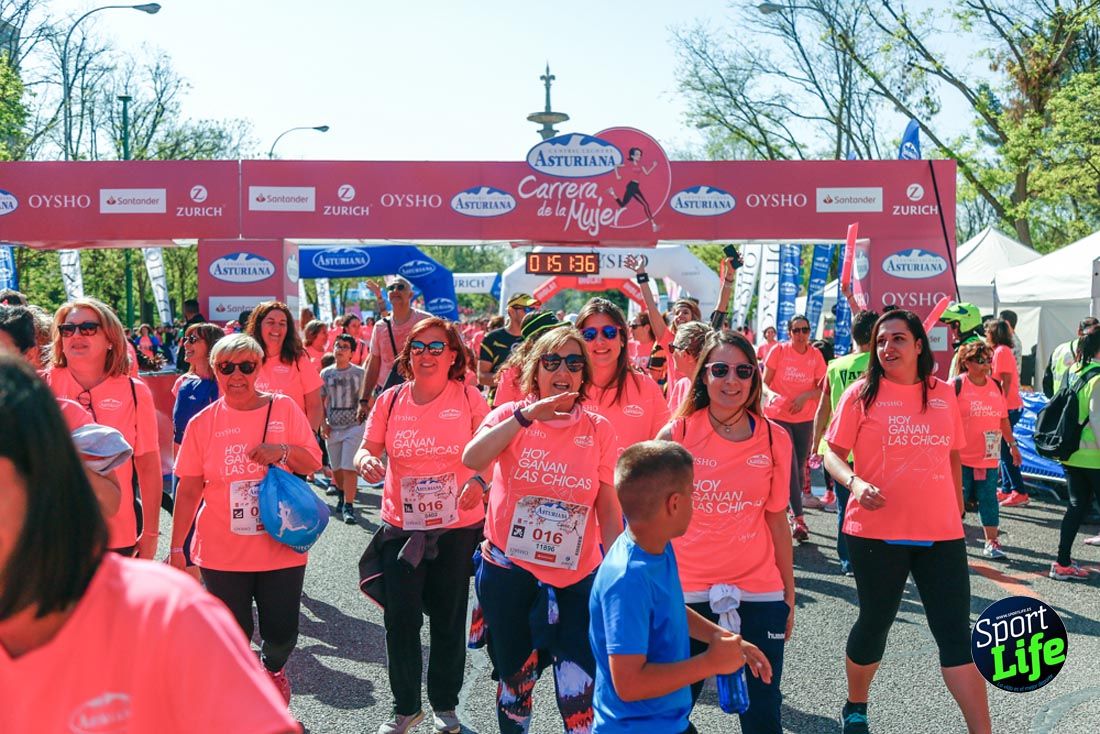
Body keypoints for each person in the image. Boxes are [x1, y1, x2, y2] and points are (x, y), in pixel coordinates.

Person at [0, 356, 299, 734]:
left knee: (279, 629)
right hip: (214, 551)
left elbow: (159, 473)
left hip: (264, 549)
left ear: (41, 476)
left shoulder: (163, 610)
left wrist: (168, 543)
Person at [823, 310, 990, 734]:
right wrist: (855, 483)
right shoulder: (861, 394)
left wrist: (956, 509)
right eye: (881, 341)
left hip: (940, 534)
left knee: (955, 634)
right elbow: (832, 453)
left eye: (898, 339)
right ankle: (856, 704)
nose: (887, 348)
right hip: (877, 533)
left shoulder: (942, 394)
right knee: (876, 621)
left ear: (920, 345)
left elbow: (952, 452)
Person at [462, 327, 623, 734]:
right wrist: (523, 417)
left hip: (576, 578)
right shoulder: (508, 417)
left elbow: (607, 504)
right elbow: (472, 456)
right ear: (536, 370)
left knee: (580, 692)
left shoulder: (599, 428)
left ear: (584, 374)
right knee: (516, 685)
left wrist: (619, 570)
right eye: (552, 361)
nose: (562, 370)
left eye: (573, 362)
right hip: (510, 574)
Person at [170, 334, 323, 702]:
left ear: (258, 369)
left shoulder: (283, 408)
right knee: (231, 634)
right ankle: (246, 700)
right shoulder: (203, 423)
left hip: (281, 542)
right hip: (222, 548)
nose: (236, 375)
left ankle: (272, 668)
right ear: (214, 370)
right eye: (226, 367)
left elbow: (313, 461)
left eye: (246, 367)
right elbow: (188, 488)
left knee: (282, 632)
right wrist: (178, 547)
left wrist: (281, 450)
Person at [355, 317, 489, 734]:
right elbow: (366, 449)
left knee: (449, 619)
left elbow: (492, 450)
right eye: (418, 347)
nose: (427, 355)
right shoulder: (391, 400)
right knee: (401, 620)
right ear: (407, 355)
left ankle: (445, 708)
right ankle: (405, 709)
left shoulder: (469, 397)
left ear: (453, 356)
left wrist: (479, 480)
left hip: (456, 527)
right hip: (402, 527)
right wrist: (367, 463)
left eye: (436, 347)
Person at [656, 330, 795, 733]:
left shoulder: (775, 438)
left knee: (763, 714)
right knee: (666, 714)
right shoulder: (676, 436)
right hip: (686, 594)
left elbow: (776, 518)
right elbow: (651, 525)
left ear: (754, 378)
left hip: (759, 592)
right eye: (720, 370)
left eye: (742, 371)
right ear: (703, 376)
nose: (731, 380)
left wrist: (787, 590)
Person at [589, 440, 772, 734]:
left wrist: (720, 635)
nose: (694, 500)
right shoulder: (627, 579)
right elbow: (629, 684)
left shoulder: (656, 546)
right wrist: (710, 662)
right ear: (674, 503)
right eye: (692, 492)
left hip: (669, 724)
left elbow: (669, 608)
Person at [45, 298, 161, 559]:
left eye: (88, 328)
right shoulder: (39, 387)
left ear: (111, 339)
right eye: (67, 329)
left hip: (118, 533)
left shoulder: (135, 391)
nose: (76, 335)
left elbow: (148, 465)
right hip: (53, 535)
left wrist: (151, 534)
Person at [811, 310, 879, 576]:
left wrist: (815, 445)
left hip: (838, 448)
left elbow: (822, 409)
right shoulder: (881, 365)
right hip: (872, 447)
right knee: (875, 504)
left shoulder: (835, 366)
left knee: (844, 506)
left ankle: (848, 561)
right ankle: (873, 556)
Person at [952, 341, 1020, 559]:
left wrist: (1012, 445)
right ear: (967, 362)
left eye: (988, 360)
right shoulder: (956, 385)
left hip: (988, 457)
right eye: (980, 361)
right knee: (957, 500)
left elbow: (1003, 419)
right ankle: (951, 541)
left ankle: (992, 542)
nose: (985, 365)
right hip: (959, 457)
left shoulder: (995, 386)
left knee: (988, 499)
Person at [576, 298, 669, 453]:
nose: (600, 341)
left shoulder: (646, 388)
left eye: (609, 332)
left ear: (622, 339)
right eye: (589, 334)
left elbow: (664, 453)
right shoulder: (568, 387)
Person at [763, 314, 827, 541]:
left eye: (805, 330)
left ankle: (787, 508)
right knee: (789, 463)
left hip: (805, 419)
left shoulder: (815, 355)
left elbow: (823, 390)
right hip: (778, 417)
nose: (801, 335)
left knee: (798, 467)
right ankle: (799, 519)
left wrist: (804, 397)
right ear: (789, 332)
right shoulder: (779, 351)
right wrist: (772, 395)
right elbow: (763, 382)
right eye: (797, 330)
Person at [1049, 325, 1100, 579]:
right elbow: (1098, 420)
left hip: (1070, 452)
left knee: (1076, 506)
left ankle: (1062, 563)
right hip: (1095, 457)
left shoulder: (1073, 370)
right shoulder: (1098, 378)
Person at [358, 277, 432, 415]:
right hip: (387, 395)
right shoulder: (380, 327)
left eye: (400, 287)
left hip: (421, 394)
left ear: (410, 294)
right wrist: (364, 400)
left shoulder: (426, 321)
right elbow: (374, 364)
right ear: (388, 295)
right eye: (391, 288)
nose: (395, 290)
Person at [247, 301, 323, 433]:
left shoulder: (299, 360)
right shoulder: (245, 360)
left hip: (293, 442)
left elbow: (315, 405)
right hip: (253, 440)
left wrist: (311, 436)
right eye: (270, 322)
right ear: (258, 325)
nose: (277, 328)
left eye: (282, 323)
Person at [321, 334, 366, 524]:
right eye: (337, 346)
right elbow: (320, 401)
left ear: (352, 353)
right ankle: (341, 494)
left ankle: (349, 506)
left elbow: (367, 400)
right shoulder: (326, 374)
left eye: (345, 347)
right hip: (333, 427)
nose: (340, 349)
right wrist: (323, 423)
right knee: (337, 469)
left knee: (349, 468)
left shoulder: (360, 373)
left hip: (354, 426)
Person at [986, 319, 1028, 507]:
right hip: (1007, 406)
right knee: (1003, 450)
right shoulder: (1001, 351)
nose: (986, 333)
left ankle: (1019, 491)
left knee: (1006, 450)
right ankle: (1008, 488)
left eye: (988, 330)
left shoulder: (1001, 351)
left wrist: (999, 404)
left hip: (1007, 407)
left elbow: (1006, 380)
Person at [492, 310, 564, 407]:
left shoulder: (565, 367)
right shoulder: (511, 374)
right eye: (554, 334)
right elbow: (501, 416)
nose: (560, 339)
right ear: (536, 340)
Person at [479, 293, 535, 401]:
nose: (531, 313)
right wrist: (511, 380)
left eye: (533, 309)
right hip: (499, 404)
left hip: (528, 404)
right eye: (527, 309)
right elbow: (482, 377)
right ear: (511, 311)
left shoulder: (535, 337)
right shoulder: (492, 338)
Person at [1044, 316, 1100, 397]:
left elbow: (1047, 384)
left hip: (1058, 401)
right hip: (1079, 403)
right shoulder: (1090, 352)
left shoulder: (1059, 349)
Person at [608, 146, 659, 232]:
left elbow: (646, 173)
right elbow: (616, 166)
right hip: (631, 186)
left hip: (635, 186)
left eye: (640, 154)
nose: (639, 156)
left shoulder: (640, 165)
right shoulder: (629, 164)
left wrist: (653, 166)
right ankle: (653, 224)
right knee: (645, 204)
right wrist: (617, 176)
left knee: (623, 205)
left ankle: (612, 193)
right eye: (637, 154)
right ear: (632, 156)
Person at [665, 321, 711, 411]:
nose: (672, 353)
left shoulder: (714, 391)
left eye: (672, 347)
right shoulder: (681, 385)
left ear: (685, 354)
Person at [176, 297, 207, 371]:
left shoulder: (193, 326)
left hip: (191, 365)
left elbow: (189, 346)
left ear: (185, 310)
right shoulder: (204, 324)